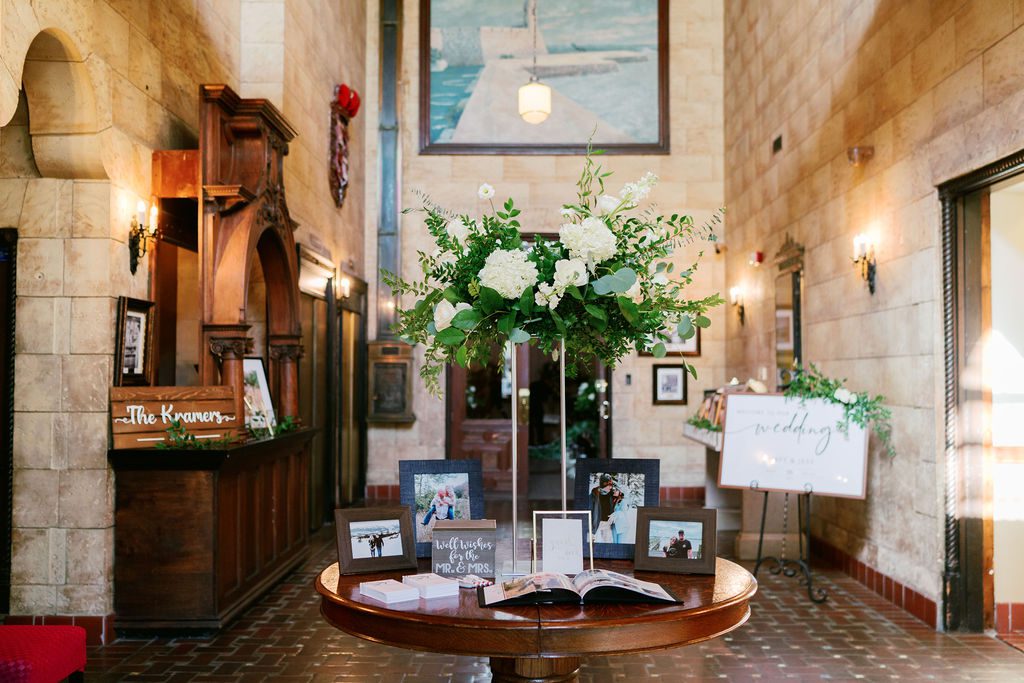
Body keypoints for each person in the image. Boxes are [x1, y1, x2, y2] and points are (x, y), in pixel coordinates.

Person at [590, 474, 624, 541]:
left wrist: (619, 496)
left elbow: (622, 497)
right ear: (603, 485)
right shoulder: (595, 494)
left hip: (608, 524)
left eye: (611, 485)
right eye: (609, 485)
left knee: (608, 543)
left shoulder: (611, 494)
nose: (610, 487)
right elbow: (590, 508)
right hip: (596, 524)